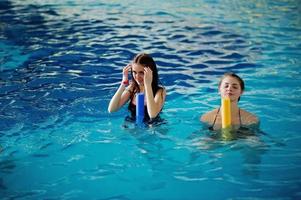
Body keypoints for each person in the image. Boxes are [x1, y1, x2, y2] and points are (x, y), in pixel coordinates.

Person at [108, 53, 166, 123]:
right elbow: (111, 109)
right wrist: (123, 83)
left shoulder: (159, 91)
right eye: (134, 72)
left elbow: (152, 115)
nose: (137, 77)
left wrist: (147, 85)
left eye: (141, 72)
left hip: (153, 127)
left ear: (150, 72)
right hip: (133, 126)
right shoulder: (132, 88)